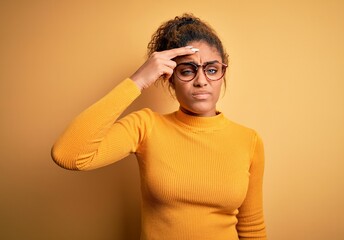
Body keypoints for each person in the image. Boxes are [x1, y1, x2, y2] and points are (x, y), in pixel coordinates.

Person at [51, 13, 267, 240]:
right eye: (187, 70)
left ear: (223, 74)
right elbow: (69, 154)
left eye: (211, 70)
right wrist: (137, 81)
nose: (201, 80)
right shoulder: (146, 126)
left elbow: (252, 227)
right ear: (168, 77)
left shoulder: (249, 140)